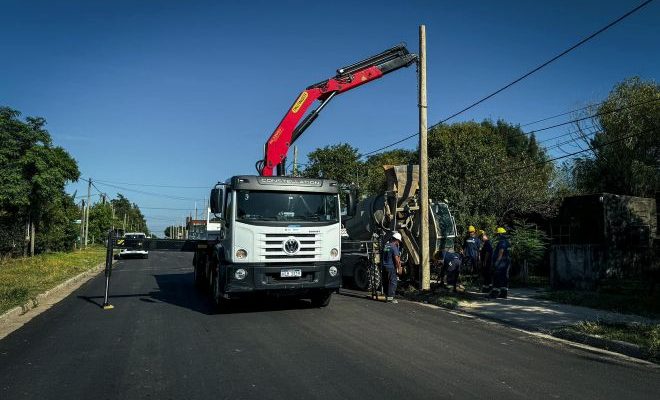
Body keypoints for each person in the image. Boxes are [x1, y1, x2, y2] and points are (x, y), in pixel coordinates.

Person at [490, 227, 512, 299]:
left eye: (497, 234)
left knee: (497, 277)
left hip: (501, 263)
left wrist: (497, 261)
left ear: (500, 234)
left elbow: (501, 251)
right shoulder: (507, 242)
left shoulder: (502, 241)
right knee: (504, 277)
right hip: (506, 262)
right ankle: (503, 293)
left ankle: (495, 293)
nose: (497, 236)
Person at [382, 232, 402, 303]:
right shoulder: (394, 247)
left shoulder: (386, 246)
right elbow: (396, 258)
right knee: (392, 282)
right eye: (398, 241)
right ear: (396, 240)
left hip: (384, 266)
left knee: (386, 281)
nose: (398, 243)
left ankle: (387, 296)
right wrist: (399, 267)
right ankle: (391, 298)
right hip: (391, 267)